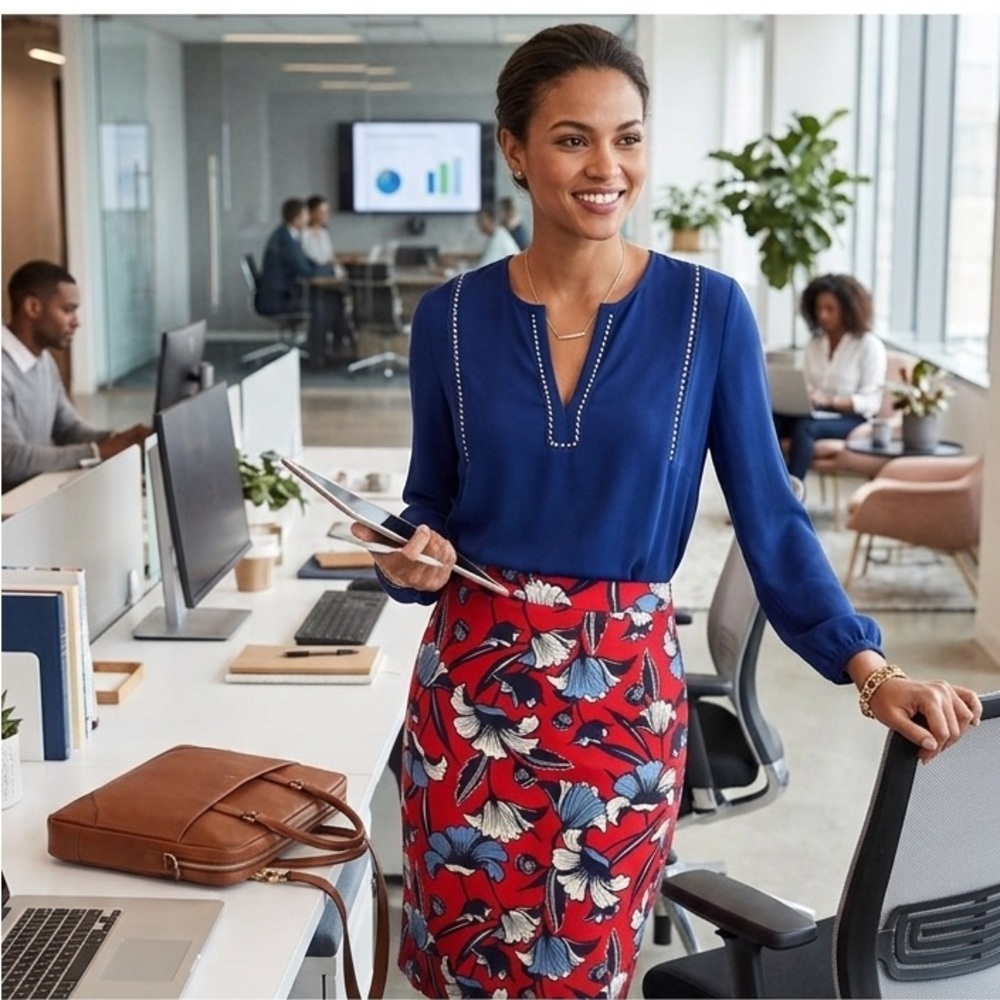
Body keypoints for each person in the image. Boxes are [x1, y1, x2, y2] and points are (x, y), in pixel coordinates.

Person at [352, 24, 982, 999]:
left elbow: (770, 517)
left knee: (583, 965)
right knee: (466, 969)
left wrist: (869, 668)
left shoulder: (707, 312)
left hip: (619, 699)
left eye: (628, 138)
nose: (606, 167)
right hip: (470, 695)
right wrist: (408, 556)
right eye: (572, 139)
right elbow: (429, 502)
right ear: (514, 149)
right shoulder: (450, 318)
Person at [2, 260, 152, 494]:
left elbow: (67, 428)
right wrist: (98, 451)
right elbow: (10, 459)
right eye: (68, 310)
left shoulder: (42, 358)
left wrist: (120, 439)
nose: (77, 321)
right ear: (32, 307)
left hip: (29, 492)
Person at [774, 273, 887, 481]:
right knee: (770, 421)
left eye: (830, 309)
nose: (823, 315)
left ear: (847, 309)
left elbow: (871, 402)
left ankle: (790, 494)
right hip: (815, 413)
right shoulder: (815, 344)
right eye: (818, 309)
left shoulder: (869, 346)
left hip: (852, 419)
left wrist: (831, 401)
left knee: (804, 427)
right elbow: (807, 384)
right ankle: (768, 487)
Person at [255, 197, 334, 365]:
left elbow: (306, 263)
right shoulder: (285, 239)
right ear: (296, 218)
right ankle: (317, 355)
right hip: (278, 298)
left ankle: (320, 351)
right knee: (320, 303)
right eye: (306, 215)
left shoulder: (288, 235)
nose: (308, 219)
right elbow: (305, 270)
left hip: (282, 292)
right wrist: (330, 270)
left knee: (325, 299)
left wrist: (325, 268)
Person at [299, 194, 355, 360]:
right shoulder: (303, 234)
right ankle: (320, 349)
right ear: (311, 213)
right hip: (313, 283)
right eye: (322, 211)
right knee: (326, 302)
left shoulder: (324, 233)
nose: (326, 215)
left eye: (327, 211)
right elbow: (315, 259)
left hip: (328, 278)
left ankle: (337, 346)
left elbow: (329, 258)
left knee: (338, 300)